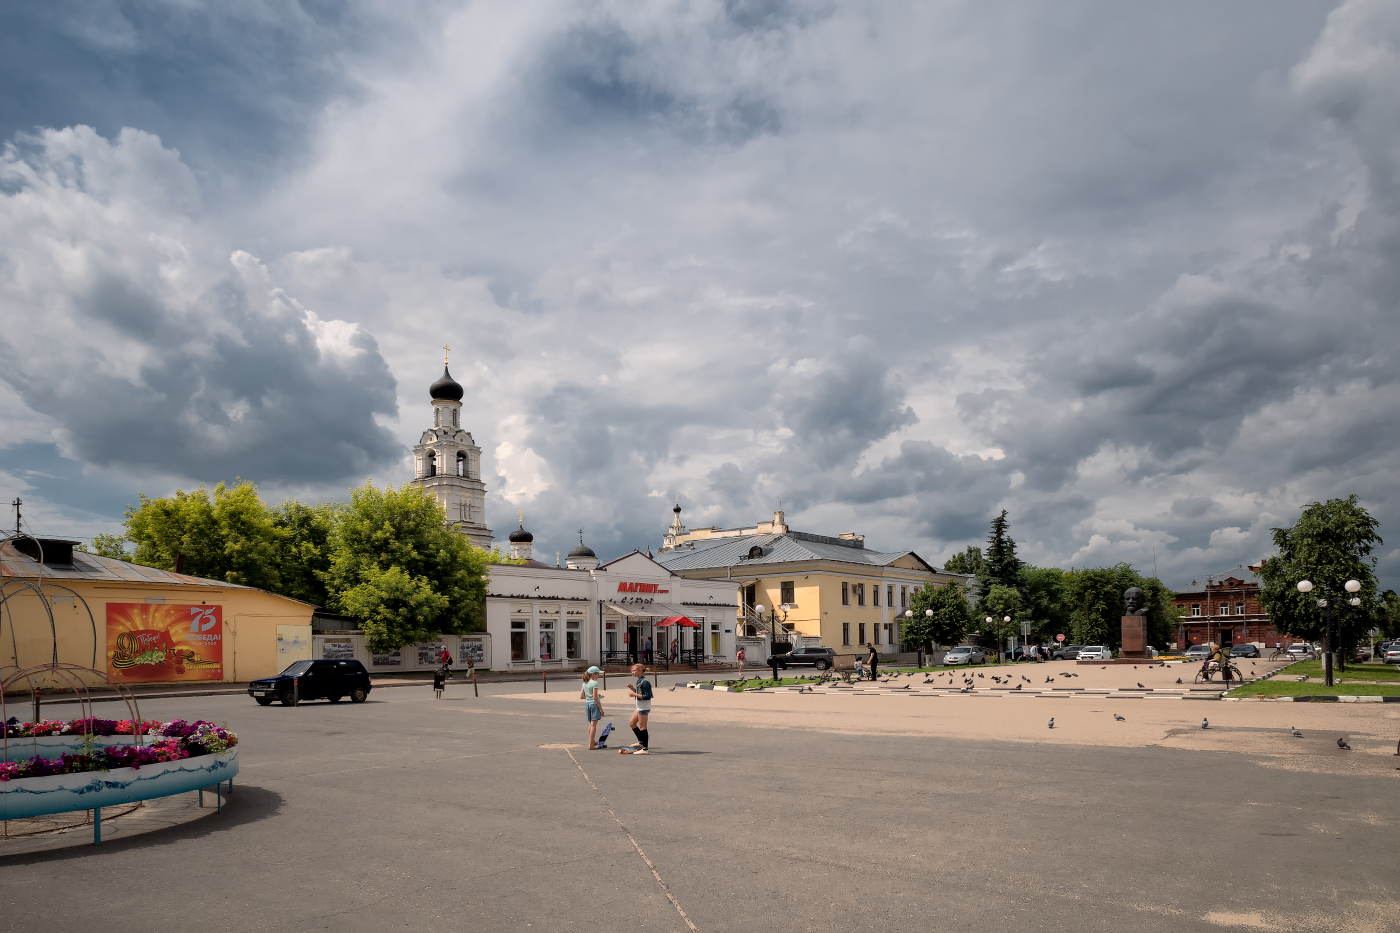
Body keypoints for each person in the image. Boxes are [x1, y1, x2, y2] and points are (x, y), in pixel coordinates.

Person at [627, 663, 652, 754]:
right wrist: (633, 689)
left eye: (634, 671)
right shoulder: (639, 680)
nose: (632, 672)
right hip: (640, 706)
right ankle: (641, 742)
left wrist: (634, 694)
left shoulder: (644, 681)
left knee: (643, 727)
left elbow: (647, 696)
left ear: (639, 671)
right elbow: (640, 692)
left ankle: (645, 749)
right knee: (632, 723)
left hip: (643, 706)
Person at [581, 666, 605, 748]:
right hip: (594, 704)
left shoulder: (584, 683)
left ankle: (592, 741)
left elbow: (582, 696)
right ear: (593, 674)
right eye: (597, 674)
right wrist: (601, 709)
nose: (598, 675)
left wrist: (590, 695)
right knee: (594, 725)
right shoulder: (594, 683)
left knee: (591, 724)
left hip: (587, 703)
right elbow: (595, 697)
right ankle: (591, 744)